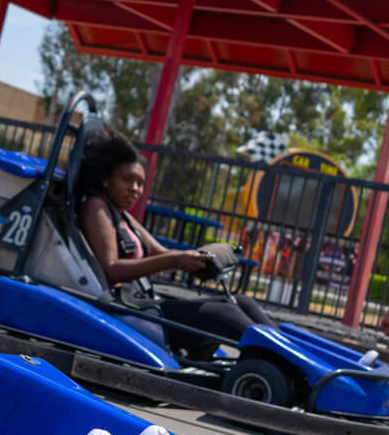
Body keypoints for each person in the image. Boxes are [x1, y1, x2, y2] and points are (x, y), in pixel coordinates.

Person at [76, 129, 271, 353]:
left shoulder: (123, 215)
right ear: (106, 179)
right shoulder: (96, 206)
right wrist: (175, 260)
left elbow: (159, 252)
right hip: (126, 308)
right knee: (224, 313)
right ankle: (279, 360)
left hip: (142, 300)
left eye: (140, 183)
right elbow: (111, 269)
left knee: (243, 302)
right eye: (127, 180)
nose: (135, 189)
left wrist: (198, 258)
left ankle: (292, 357)